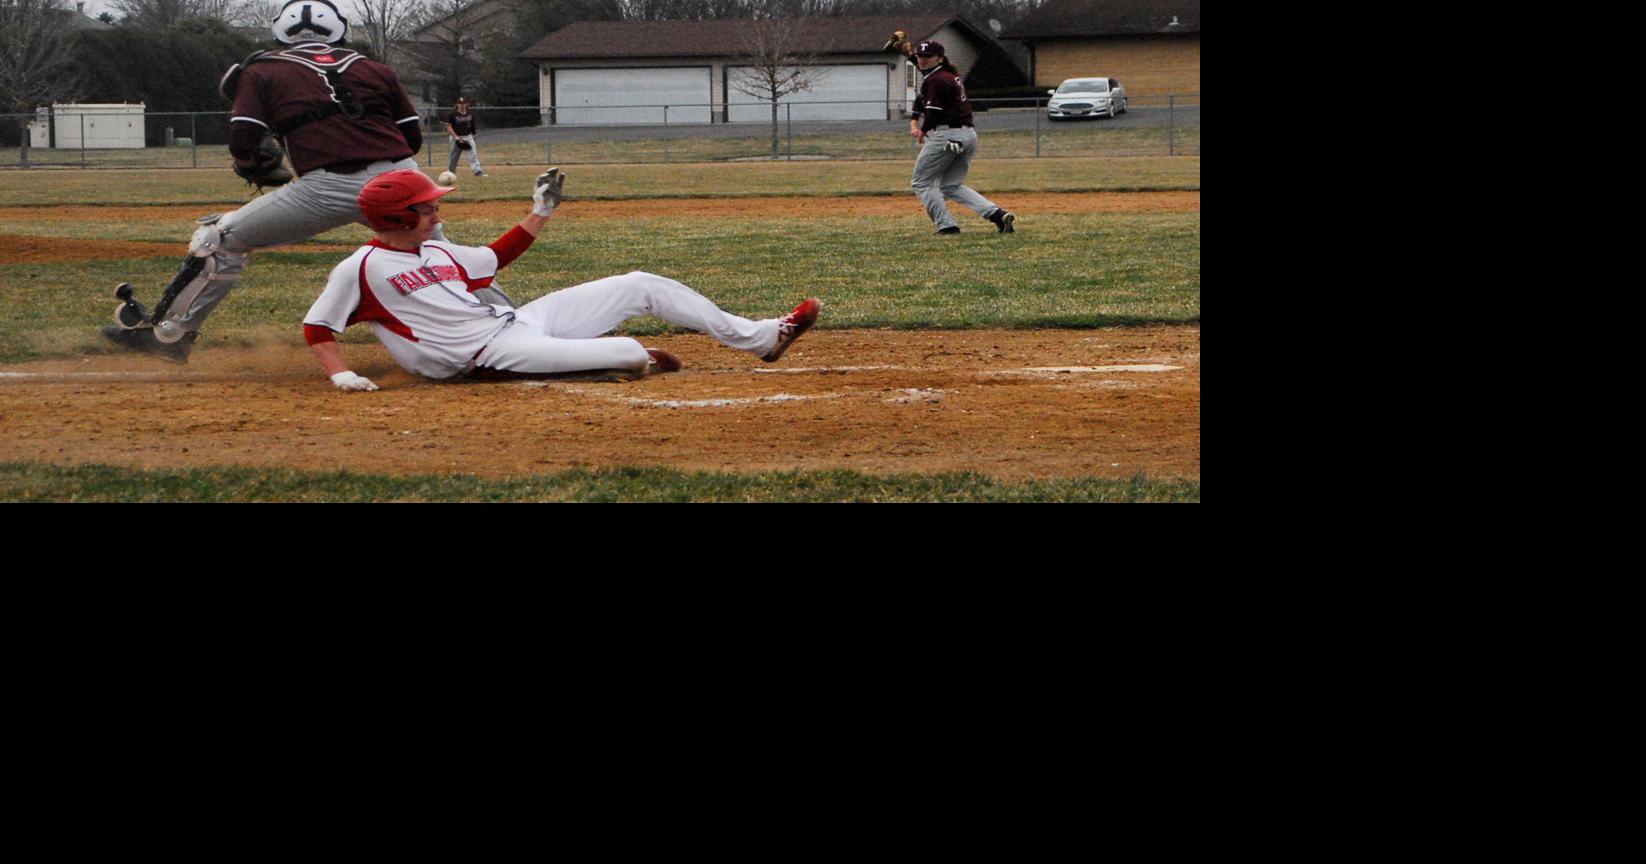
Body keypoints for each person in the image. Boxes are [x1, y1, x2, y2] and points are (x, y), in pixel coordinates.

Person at [101, 0, 511, 364]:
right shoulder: (373, 67)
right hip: (402, 177)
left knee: (218, 239)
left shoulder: (261, 69)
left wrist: (252, 164)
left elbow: (243, 135)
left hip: (329, 184)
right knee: (443, 259)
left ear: (280, 32)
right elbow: (413, 137)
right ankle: (512, 327)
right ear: (340, 32)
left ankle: (169, 334)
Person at [306, 168, 822, 391]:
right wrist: (340, 374)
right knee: (629, 352)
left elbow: (494, 258)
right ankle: (614, 364)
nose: (437, 214)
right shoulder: (362, 268)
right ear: (397, 218)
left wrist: (541, 211)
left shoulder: (434, 247)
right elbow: (319, 328)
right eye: (426, 208)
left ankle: (761, 339)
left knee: (639, 282)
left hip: (517, 324)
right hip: (483, 358)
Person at [907, 39, 1015, 236]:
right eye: (919, 56)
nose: (922, 60)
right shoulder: (949, 76)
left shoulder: (936, 80)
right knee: (950, 185)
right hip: (968, 135)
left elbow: (932, 110)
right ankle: (998, 215)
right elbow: (925, 96)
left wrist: (923, 129)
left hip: (947, 135)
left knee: (921, 182)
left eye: (927, 56)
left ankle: (946, 226)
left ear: (939, 58)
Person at [444, 97, 487, 178]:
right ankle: (451, 172)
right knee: (454, 156)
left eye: (463, 104)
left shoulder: (470, 114)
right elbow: (449, 127)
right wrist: (456, 137)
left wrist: (473, 134)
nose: (462, 105)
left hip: (468, 136)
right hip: (456, 138)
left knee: (473, 155)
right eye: (460, 104)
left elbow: (472, 125)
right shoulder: (452, 114)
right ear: (457, 105)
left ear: (467, 104)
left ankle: (478, 171)